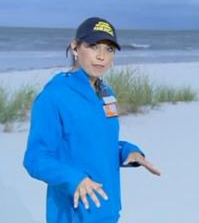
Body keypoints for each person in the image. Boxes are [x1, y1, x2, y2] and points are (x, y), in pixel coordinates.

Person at [23, 17, 161, 223]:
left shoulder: (106, 92)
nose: (102, 56)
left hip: (107, 209)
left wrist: (128, 151)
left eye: (109, 49)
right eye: (94, 46)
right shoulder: (54, 96)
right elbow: (36, 158)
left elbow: (95, 143)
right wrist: (74, 179)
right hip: (73, 214)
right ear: (75, 48)